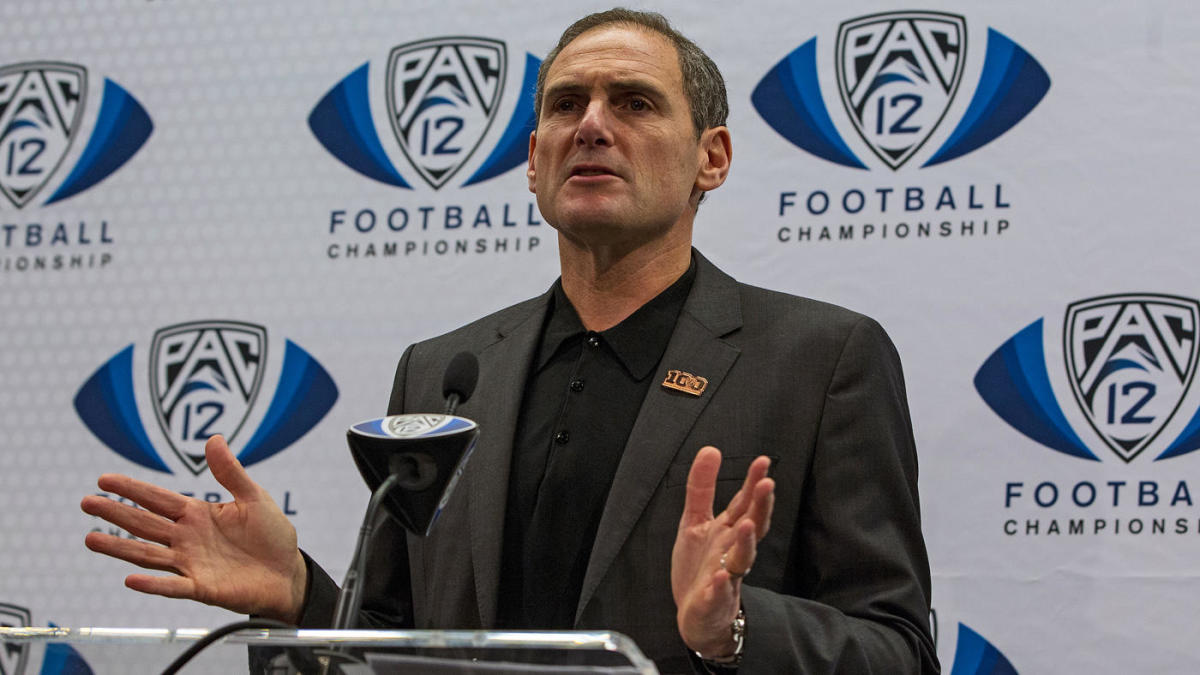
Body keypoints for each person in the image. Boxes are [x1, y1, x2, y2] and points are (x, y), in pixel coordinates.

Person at [81, 9, 938, 674]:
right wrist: (301, 595)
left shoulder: (821, 359)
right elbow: (400, 641)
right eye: (566, 105)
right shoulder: (442, 372)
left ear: (711, 158)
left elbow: (897, 648)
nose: (591, 125)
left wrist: (734, 627)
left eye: (634, 102)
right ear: (533, 159)